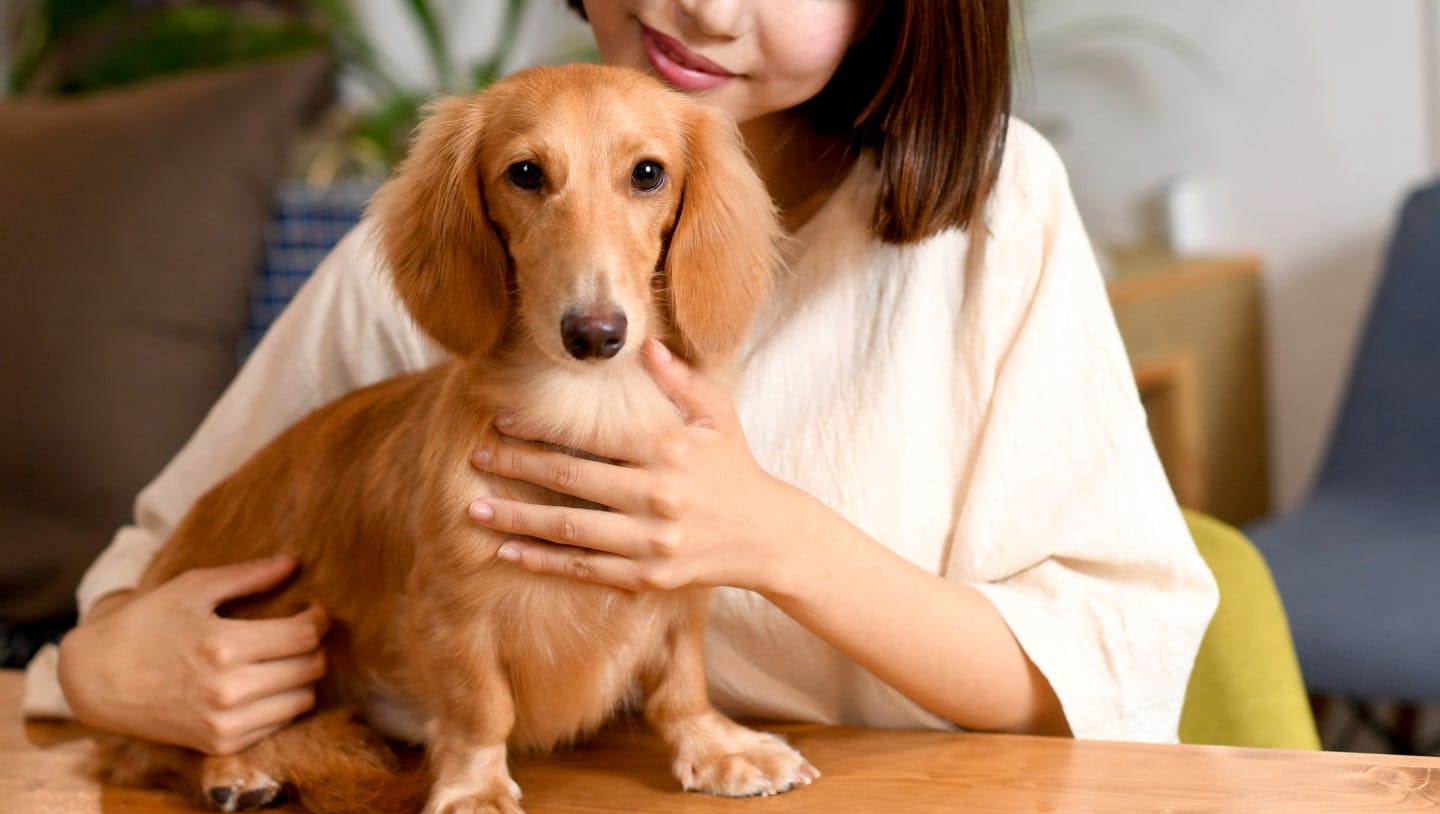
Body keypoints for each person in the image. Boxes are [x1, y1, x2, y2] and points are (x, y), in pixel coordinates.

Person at [43, 0, 1218, 756]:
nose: (702, 6)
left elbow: (1103, 669)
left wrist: (772, 539)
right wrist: (105, 667)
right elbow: (155, 568)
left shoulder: (993, 214)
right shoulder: (454, 234)